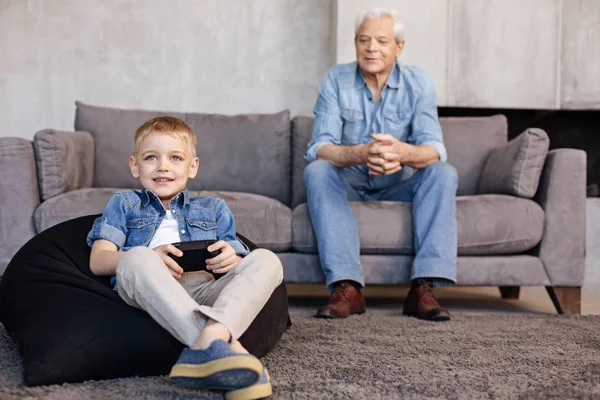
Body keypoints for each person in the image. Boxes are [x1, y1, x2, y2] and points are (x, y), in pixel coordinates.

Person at [87, 116, 281, 399]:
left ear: (192, 167)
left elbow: (236, 261)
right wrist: (150, 256)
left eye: (175, 158)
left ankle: (209, 345)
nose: (163, 166)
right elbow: (99, 260)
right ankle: (233, 352)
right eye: (151, 157)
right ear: (134, 165)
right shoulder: (125, 202)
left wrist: (232, 260)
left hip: (206, 289)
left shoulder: (213, 208)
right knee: (139, 257)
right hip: (151, 288)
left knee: (266, 260)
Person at [304, 8, 458, 321]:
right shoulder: (336, 79)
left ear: (398, 47)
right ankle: (347, 288)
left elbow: (434, 149)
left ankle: (423, 289)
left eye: (381, 41)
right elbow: (320, 147)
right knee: (317, 170)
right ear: (355, 44)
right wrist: (362, 153)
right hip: (349, 185)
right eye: (364, 40)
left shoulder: (418, 83)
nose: (371, 47)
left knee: (443, 173)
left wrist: (401, 152)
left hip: (399, 185)